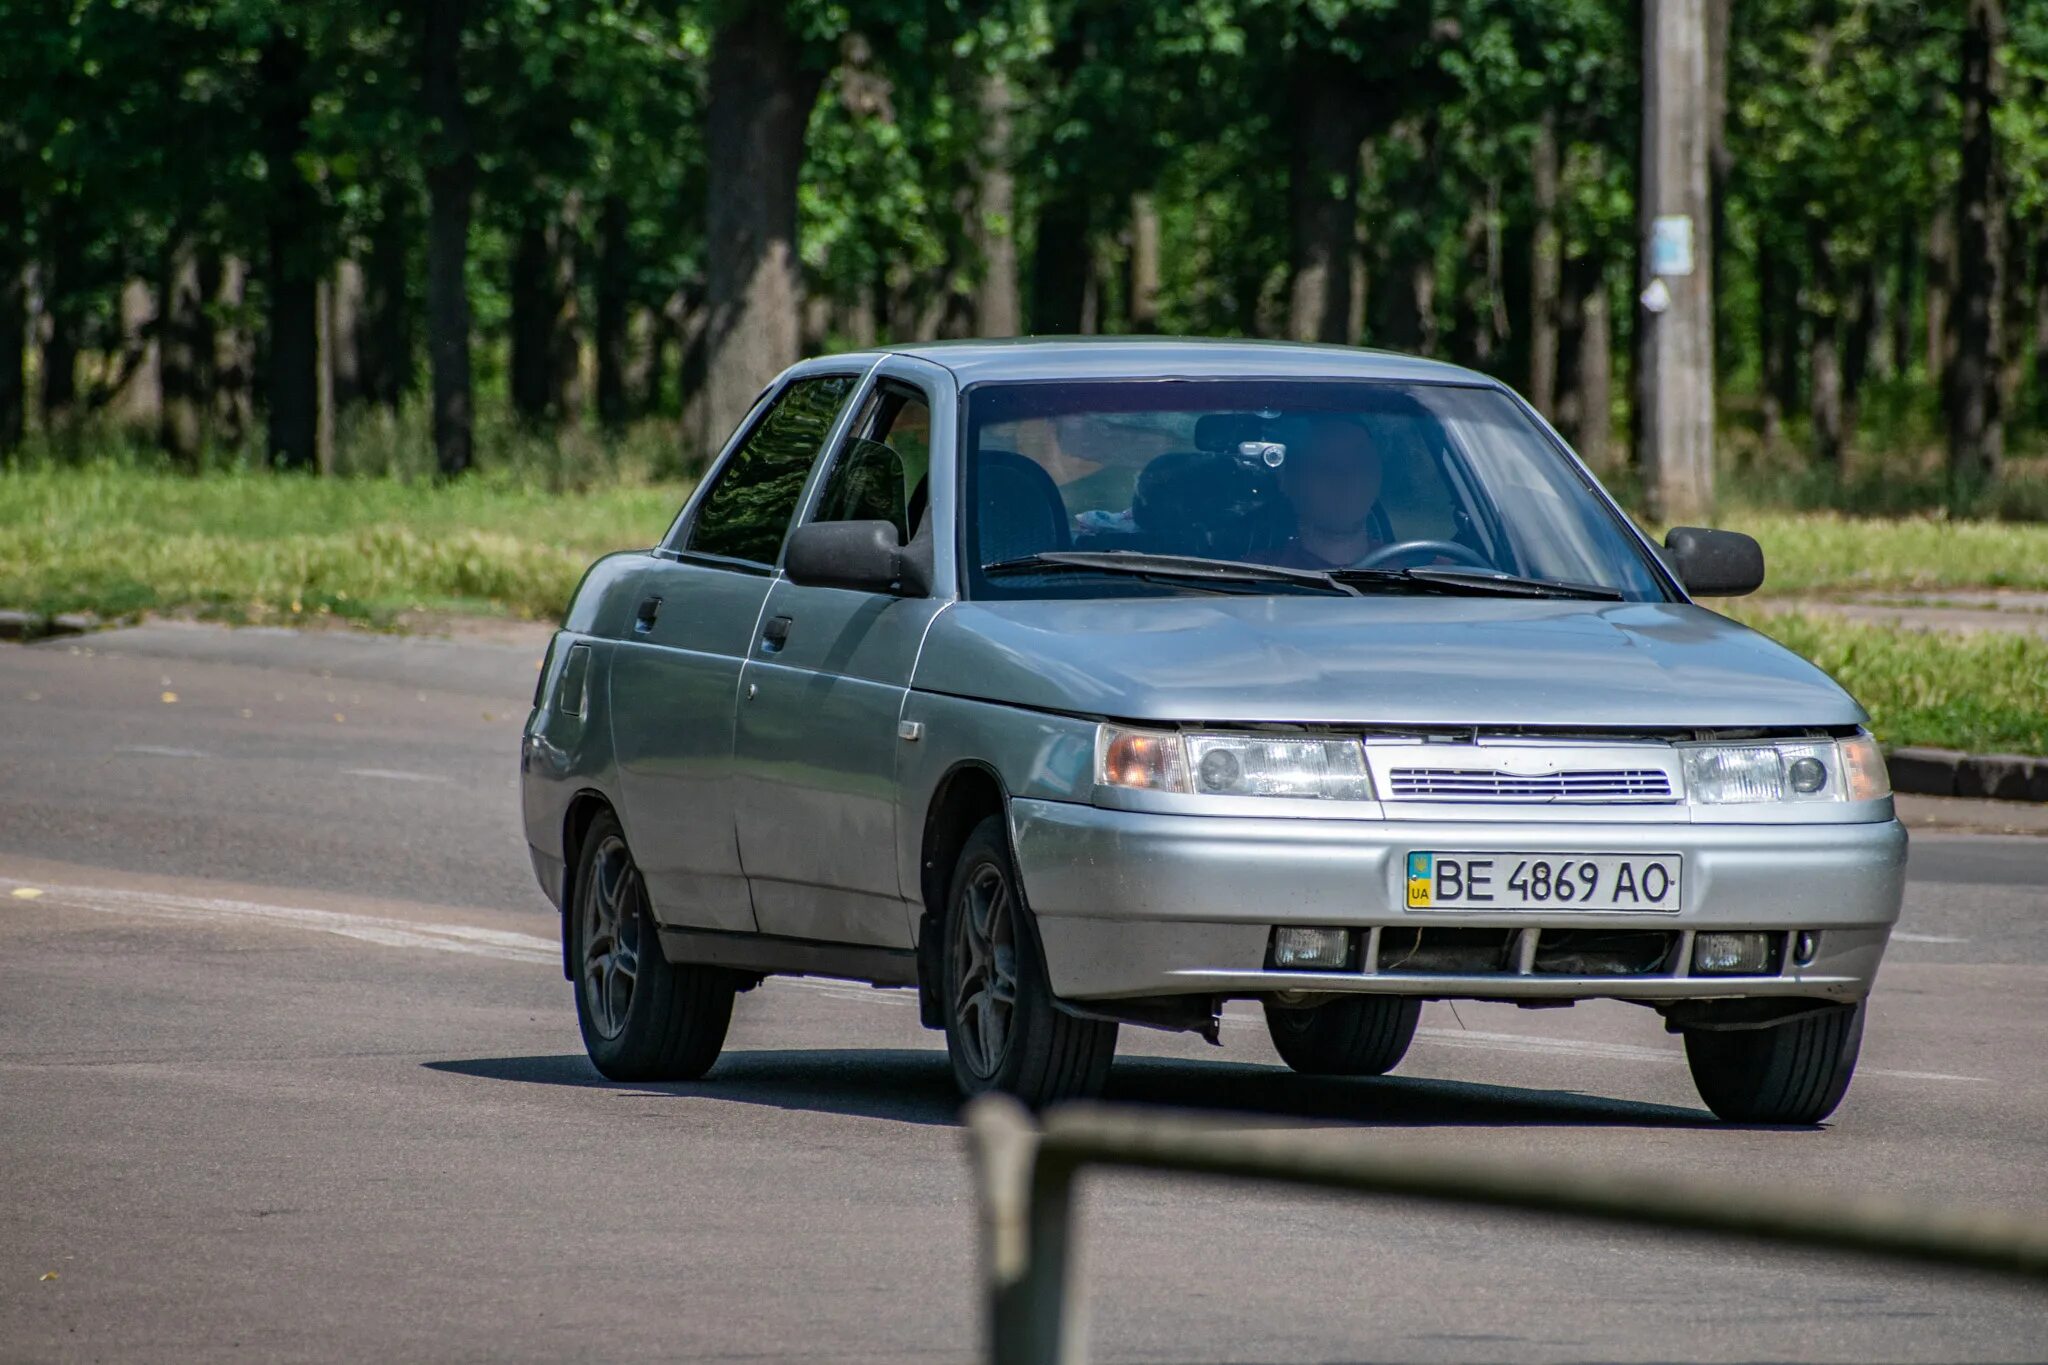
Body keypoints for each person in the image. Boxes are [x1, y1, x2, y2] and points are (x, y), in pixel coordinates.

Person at [1257, 415, 1386, 570]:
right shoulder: (1250, 579)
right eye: (1324, 465)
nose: (1346, 477)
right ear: (1286, 480)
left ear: (1379, 476)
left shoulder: (1416, 570)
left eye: (1360, 463)